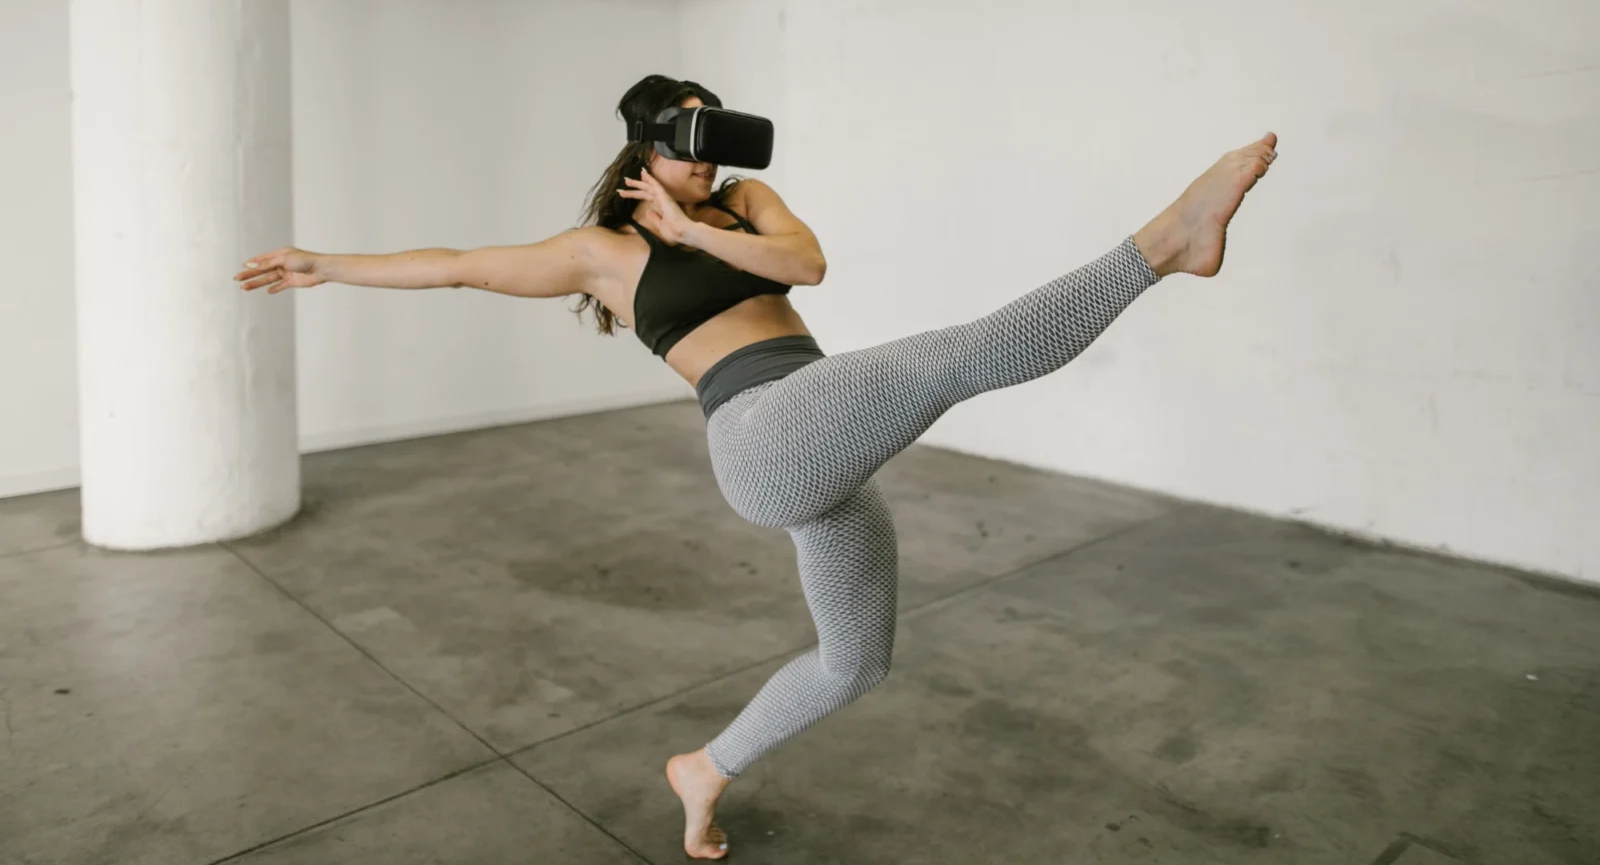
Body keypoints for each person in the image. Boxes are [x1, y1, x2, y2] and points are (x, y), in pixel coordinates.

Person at [236, 73, 1278, 860]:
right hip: (762, 438)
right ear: (647, 146)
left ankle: (703, 767)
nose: (710, 154)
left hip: (816, 432)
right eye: (691, 138)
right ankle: (1164, 243)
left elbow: (806, 266)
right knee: (960, 355)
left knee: (853, 661)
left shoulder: (749, 206)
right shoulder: (601, 252)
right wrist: (327, 264)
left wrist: (699, 223)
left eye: (716, 133)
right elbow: (458, 267)